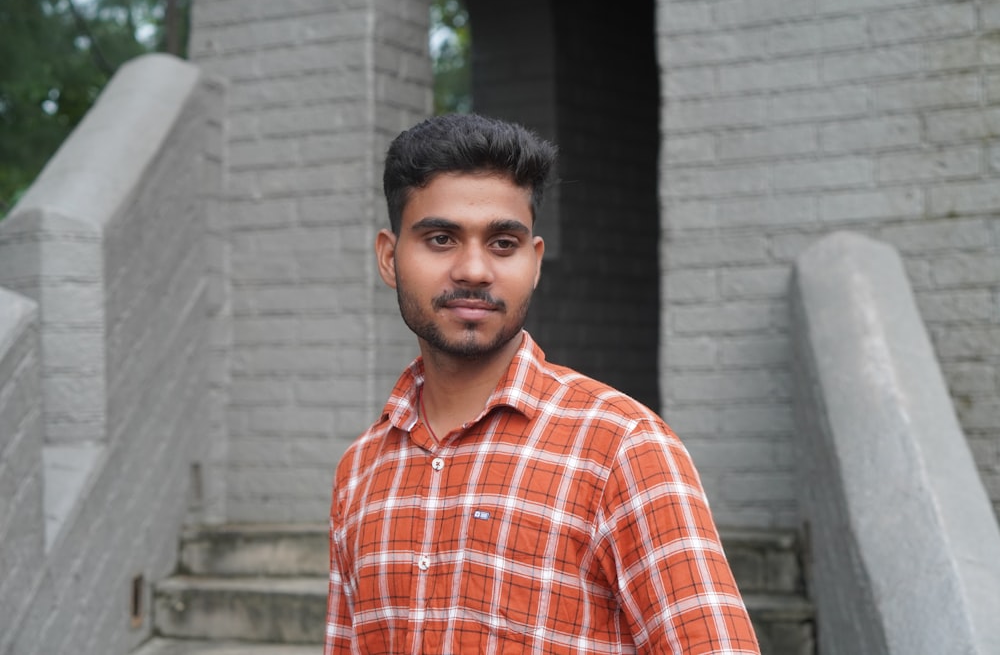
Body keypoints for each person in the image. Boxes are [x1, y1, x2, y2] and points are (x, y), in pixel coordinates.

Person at [324, 113, 760, 654]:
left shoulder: (622, 448)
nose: (475, 270)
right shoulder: (360, 471)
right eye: (440, 239)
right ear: (390, 258)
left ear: (533, 263)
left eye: (503, 243)